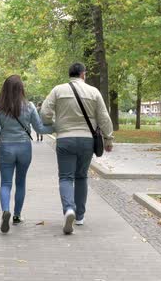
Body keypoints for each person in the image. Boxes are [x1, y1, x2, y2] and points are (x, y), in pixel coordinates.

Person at [40, 62, 114, 235]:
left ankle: (68, 209)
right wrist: (109, 138)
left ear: (70, 74)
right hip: (87, 141)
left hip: (65, 139)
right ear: (83, 74)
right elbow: (103, 117)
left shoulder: (58, 90)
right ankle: (80, 216)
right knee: (81, 177)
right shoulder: (94, 92)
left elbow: (45, 112)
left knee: (65, 177)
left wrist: (51, 125)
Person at [0, 75, 54, 233]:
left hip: (6, 147)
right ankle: (17, 215)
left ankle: (6, 210)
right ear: (21, 89)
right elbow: (39, 129)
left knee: (5, 183)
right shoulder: (29, 106)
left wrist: (4, 136)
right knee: (21, 182)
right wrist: (57, 127)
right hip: (24, 147)